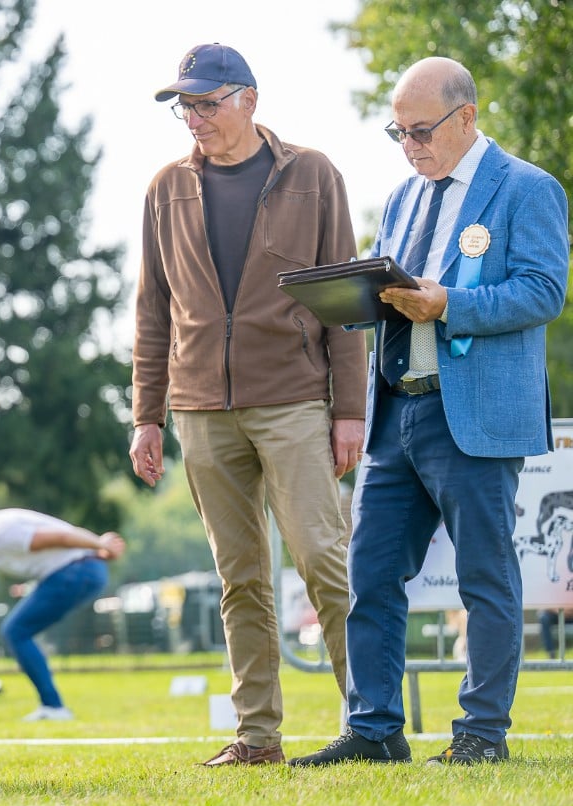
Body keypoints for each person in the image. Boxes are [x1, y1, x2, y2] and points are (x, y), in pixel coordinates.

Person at [291, 57, 568, 767]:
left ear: (466, 117)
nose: (410, 146)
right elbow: (391, 289)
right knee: (371, 576)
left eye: (420, 131)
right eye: (399, 133)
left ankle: (482, 732)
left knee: (484, 578)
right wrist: (349, 297)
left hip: (473, 415)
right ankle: (374, 729)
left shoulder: (527, 188)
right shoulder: (402, 197)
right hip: (397, 412)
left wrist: (450, 304)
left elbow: (544, 291)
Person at [129, 43, 364, 766]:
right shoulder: (165, 188)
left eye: (207, 103)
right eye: (185, 107)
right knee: (240, 577)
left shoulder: (314, 174)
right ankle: (258, 737)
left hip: (294, 400)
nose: (194, 118)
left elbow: (347, 302)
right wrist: (146, 416)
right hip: (200, 409)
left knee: (323, 559)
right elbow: (152, 311)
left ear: (249, 100)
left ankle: (371, 721)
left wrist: (349, 409)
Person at [0, 497, 124, 721]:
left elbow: (60, 536)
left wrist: (100, 544)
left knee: (16, 631)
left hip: (77, 571)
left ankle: (53, 706)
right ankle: (52, 705)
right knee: (17, 631)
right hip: (82, 569)